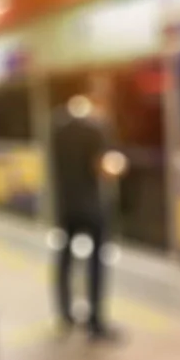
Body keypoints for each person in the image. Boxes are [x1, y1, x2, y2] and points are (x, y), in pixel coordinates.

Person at [50, 93, 125, 341]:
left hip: (65, 206)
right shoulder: (97, 130)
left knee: (64, 261)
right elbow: (103, 167)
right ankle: (95, 322)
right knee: (96, 263)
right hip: (92, 207)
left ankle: (65, 315)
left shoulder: (57, 130)